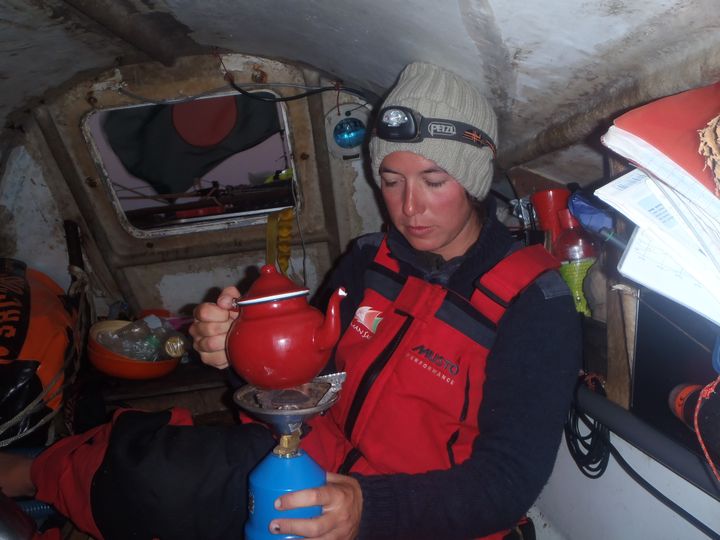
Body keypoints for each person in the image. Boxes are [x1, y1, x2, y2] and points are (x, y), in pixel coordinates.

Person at [0, 62, 581, 540]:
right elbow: (310, 382)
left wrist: (366, 509)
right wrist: (241, 353)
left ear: (474, 180)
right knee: (157, 473)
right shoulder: (370, 261)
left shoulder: (535, 302)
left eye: (434, 181)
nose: (409, 208)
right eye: (392, 179)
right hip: (309, 453)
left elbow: (507, 484)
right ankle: (32, 477)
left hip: (420, 513)